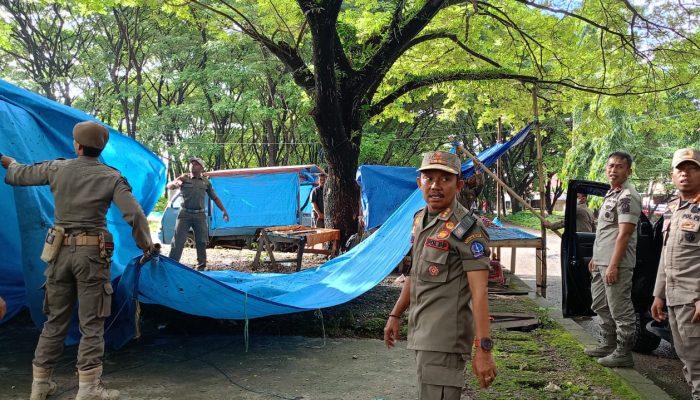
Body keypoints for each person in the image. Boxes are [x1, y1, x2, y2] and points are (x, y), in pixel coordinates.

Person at [1, 121, 157, 400]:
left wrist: (7, 161)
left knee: (55, 320)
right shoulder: (112, 177)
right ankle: (88, 388)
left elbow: (19, 174)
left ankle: (40, 386)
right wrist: (146, 246)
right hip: (92, 257)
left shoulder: (57, 168)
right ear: (100, 147)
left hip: (58, 254)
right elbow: (135, 215)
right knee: (92, 323)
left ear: (77, 145)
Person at [384, 151, 497, 399]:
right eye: (429, 178)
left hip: (445, 339)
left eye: (444, 179)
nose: (435, 185)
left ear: (458, 185)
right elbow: (416, 273)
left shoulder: (467, 229)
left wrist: (484, 349)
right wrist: (396, 314)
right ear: (419, 183)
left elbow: (479, 292)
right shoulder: (420, 219)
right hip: (422, 332)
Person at [584, 151, 641, 367]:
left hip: (617, 263)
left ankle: (623, 352)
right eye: (610, 166)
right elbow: (605, 231)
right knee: (599, 303)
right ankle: (607, 343)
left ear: (628, 171)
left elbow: (624, 233)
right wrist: (596, 258)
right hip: (602, 261)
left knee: (620, 308)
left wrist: (614, 265)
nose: (613, 170)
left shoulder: (628, 196)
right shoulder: (611, 194)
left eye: (619, 166)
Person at [651, 148, 700, 400]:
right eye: (680, 169)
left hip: (694, 300)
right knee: (686, 360)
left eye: (692, 169)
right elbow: (666, 255)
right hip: (674, 298)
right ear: (672, 175)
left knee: (698, 363)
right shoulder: (673, 209)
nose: (685, 174)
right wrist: (658, 294)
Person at [167, 157, 229, 271]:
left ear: (201, 167)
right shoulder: (184, 178)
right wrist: (176, 182)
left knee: (201, 241)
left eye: (196, 164)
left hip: (199, 216)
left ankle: (201, 267)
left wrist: (224, 210)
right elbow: (169, 186)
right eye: (191, 163)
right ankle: (171, 265)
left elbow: (214, 198)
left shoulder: (206, 182)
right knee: (178, 241)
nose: (192, 165)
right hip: (184, 214)